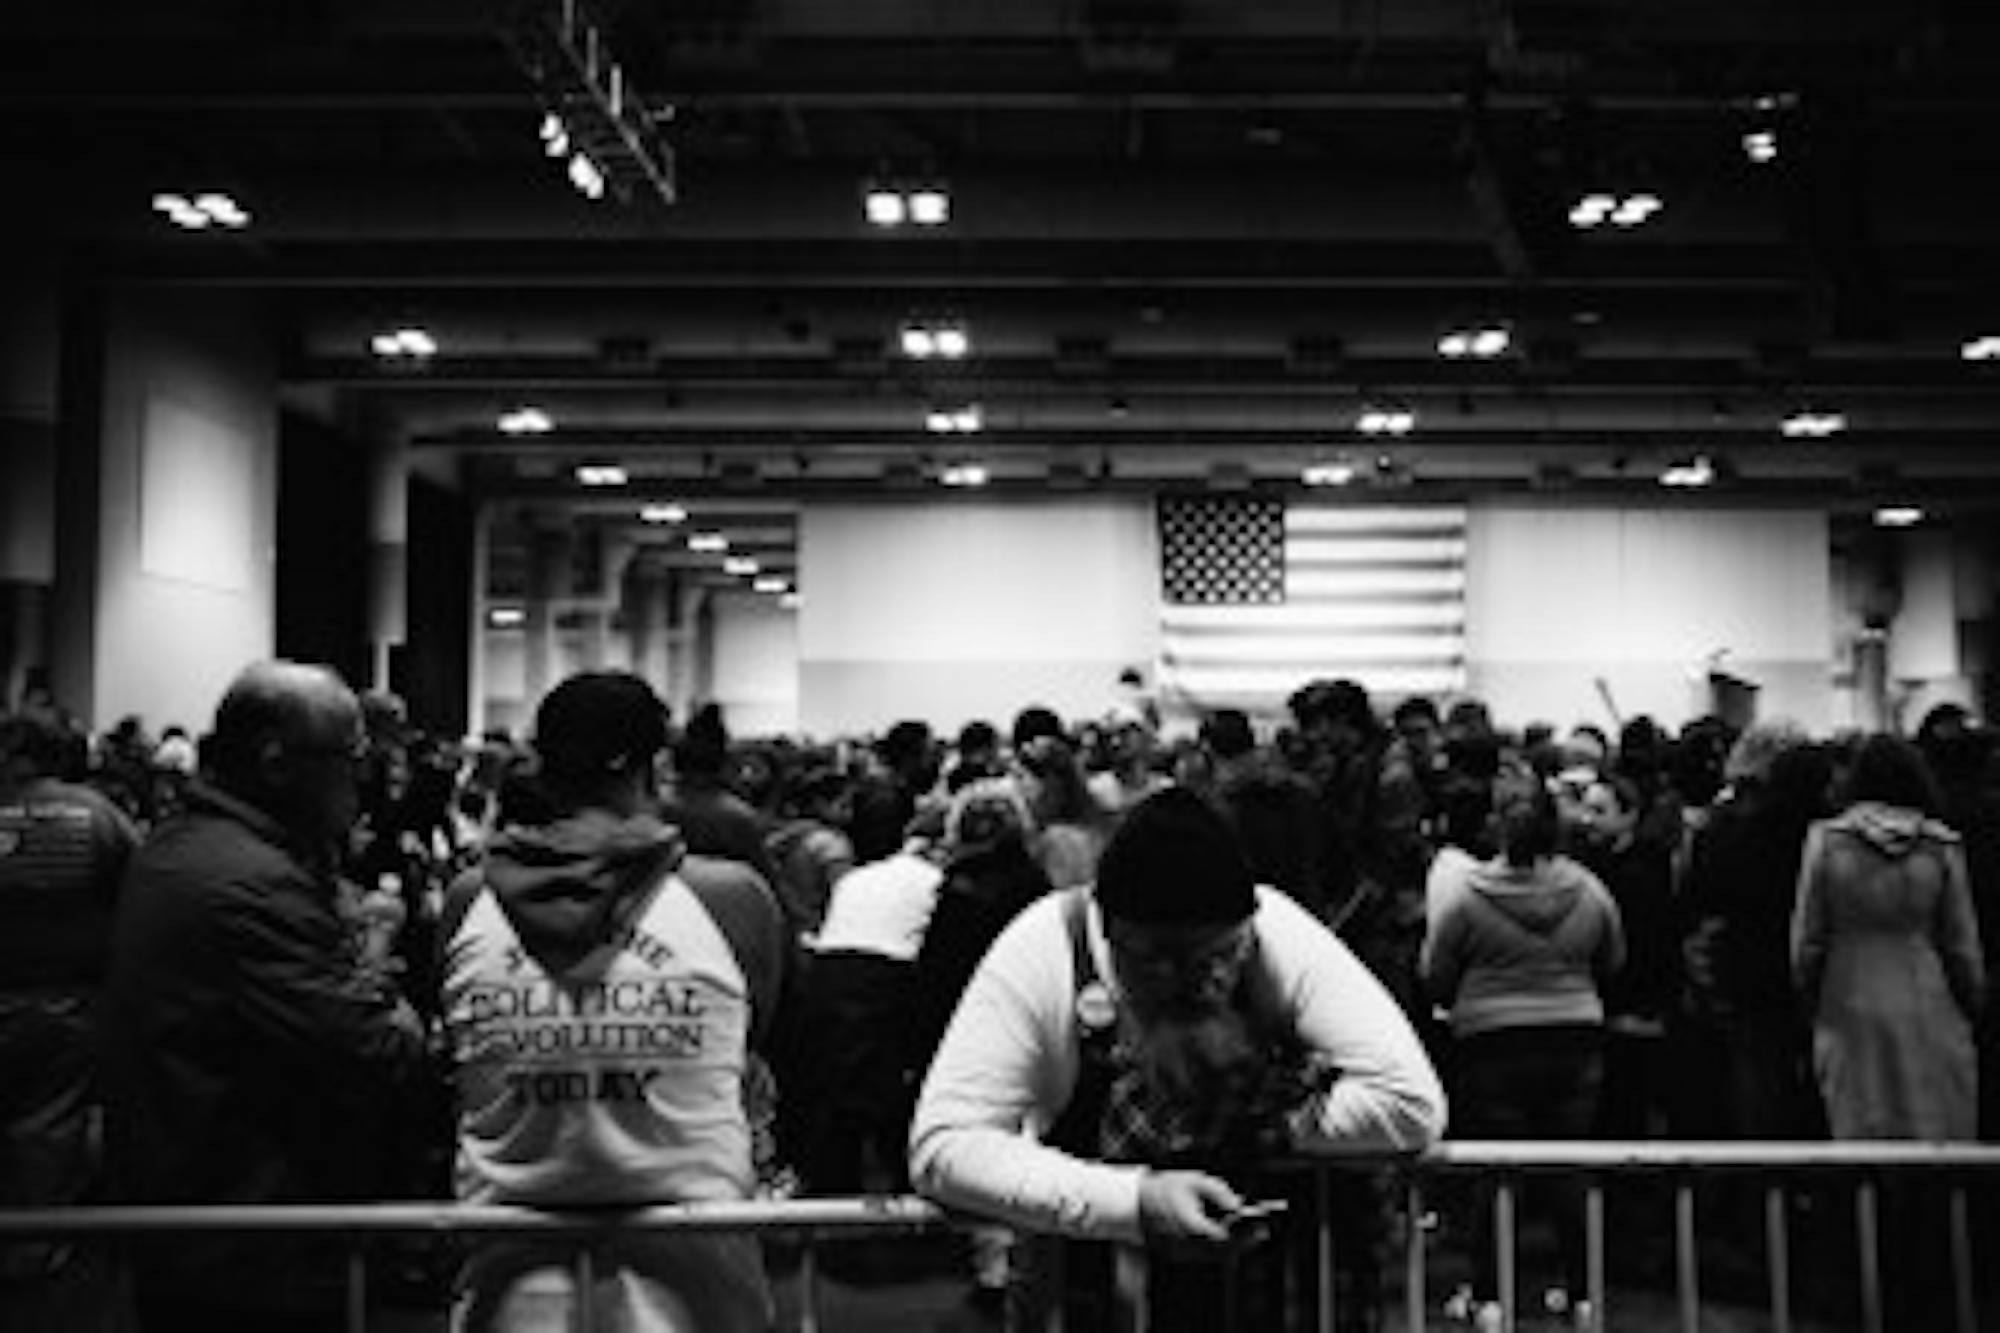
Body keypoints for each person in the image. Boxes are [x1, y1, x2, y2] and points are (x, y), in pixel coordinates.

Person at [909, 786, 1446, 1332]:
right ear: (1110, 937)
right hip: (1091, 1289)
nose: (1204, 981)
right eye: (1163, 960)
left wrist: (1254, 1133)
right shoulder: (1045, 946)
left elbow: (1410, 1103)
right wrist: (1134, 1203)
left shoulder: (1275, 932)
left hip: (1271, 1284)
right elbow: (944, 1144)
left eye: (1223, 955)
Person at [438, 670, 791, 1333]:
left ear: (540, 762)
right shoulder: (732, 899)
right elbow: (749, 1040)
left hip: (508, 1272)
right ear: (655, 764)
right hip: (698, 1271)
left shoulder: (468, 899)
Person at [101, 660, 429, 1332]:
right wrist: (374, 955)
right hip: (251, 1242)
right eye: (349, 756)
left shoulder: (189, 844)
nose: (362, 779)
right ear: (280, 761)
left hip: (202, 1224)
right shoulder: (252, 884)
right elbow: (380, 1045)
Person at [1420, 770, 1625, 1332]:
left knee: (1497, 1168)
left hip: (1492, 1043)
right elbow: (1612, 958)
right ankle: (1583, 1295)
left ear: (1497, 828)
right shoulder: (1588, 889)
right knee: (1569, 1166)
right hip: (1575, 1036)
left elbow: (1435, 975)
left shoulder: (1466, 897)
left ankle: (1489, 1295)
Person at [0, 709, 140, 1327]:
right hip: (68, 1008)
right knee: (46, 1142)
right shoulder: (99, 817)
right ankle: (35, 1270)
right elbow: (139, 895)